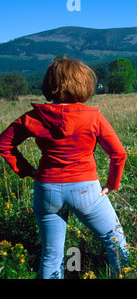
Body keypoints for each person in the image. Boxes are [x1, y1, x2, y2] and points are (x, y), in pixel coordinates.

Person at [0, 58, 129, 279]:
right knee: (115, 240)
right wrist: (111, 184)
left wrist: (28, 170)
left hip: (47, 189)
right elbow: (118, 154)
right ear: (83, 83)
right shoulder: (93, 117)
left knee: (51, 255)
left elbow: (4, 144)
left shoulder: (34, 117)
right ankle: (126, 275)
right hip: (86, 189)